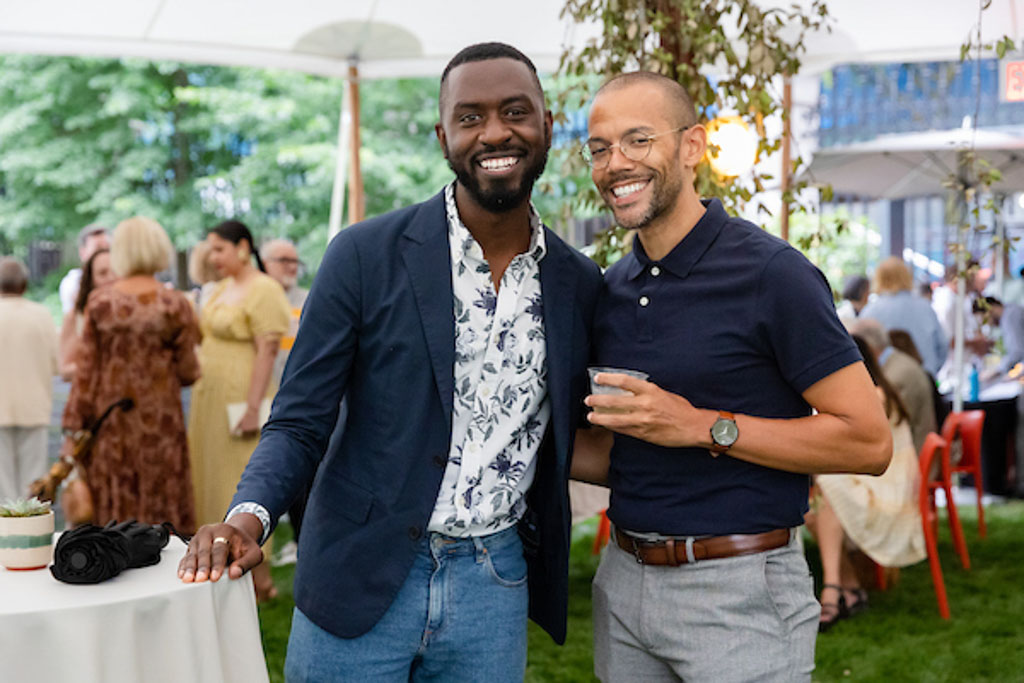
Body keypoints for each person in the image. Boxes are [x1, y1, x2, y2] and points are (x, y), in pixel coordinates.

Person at [178, 42, 602, 681]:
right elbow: (299, 421)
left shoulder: (579, 284)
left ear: (545, 124)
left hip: (494, 583)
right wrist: (249, 516)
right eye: (470, 116)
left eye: (515, 112)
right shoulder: (363, 256)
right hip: (359, 573)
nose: (494, 132)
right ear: (443, 135)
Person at [570, 71, 891, 683]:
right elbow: (625, 455)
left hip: (741, 594)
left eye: (638, 141)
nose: (616, 164)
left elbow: (868, 441)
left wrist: (700, 427)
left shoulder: (774, 274)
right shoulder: (608, 290)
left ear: (692, 146)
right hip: (623, 586)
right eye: (600, 148)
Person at [61, 217, 200, 531]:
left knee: (114, 514)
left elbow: (85, 377)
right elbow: (189, 372)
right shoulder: (175, 304)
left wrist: (72, 431)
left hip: (112, 426)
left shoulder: (101, 303)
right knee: (163, 510)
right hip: (161, 426)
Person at [187, 219, 290, 602]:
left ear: (243, 247)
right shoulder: (221, 290)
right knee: (210, 480)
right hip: (208, 402)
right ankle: (218, 564)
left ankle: (260, 580)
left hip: (242, 399)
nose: (213, 257)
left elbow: (267, 349)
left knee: (240, 481)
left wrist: (252, 407)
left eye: (219, 248)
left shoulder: (264, 288)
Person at [808, 335, 925, 632]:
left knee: (828, 491)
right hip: (878, 483)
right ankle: (849, 586)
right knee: (812, 510)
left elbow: (836, 444)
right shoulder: (879, 392)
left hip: (888, 490)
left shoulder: (874, 397)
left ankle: (833, 588)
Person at [0, 258, 59, 502]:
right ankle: (31, 535)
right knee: (32, 488)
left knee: (3, 490)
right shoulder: (42, 315)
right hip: (34, 408)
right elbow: (58, 363)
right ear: (24, 285)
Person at [851, 317, 937, 454]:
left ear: (866, 347)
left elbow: (887, 428)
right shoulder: (897, 365)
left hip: (910, 458)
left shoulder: (896, 376)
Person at [860, 257, 948, 376]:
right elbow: (942, 346)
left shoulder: (869, 312)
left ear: (878, 278)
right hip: (923, 380)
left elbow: (863, 353)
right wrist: (930, 372)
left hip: (886, 385)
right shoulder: (925, 307)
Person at [59, 248, 116, 380]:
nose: (111, 278)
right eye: (103, 273)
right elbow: (65, 370)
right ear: (91, 279)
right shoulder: (76, 316)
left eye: (115, 271)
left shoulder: (133, 314)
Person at [260, 238, 308, 389]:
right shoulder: (254, 299)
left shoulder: (309, 299)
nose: (292, 267)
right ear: (265, 264)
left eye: (295, 261)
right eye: (284, 260)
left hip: (298, 388)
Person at [58, 224, 109, 314]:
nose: (104, 254)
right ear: (82, 253)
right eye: (98, 248)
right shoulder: (72, 283)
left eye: (107, 248)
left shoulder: (120, 278)